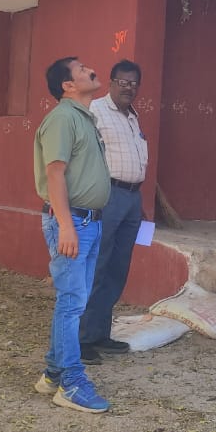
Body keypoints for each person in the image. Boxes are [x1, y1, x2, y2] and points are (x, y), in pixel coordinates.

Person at [33, 57, 113, 413]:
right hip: (73, 223)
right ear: (67, 85)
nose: (91, 70)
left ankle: (54, 373)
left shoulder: (83, 118)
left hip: (88, 222)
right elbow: (55, 173)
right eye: (81, 69)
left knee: (73, 300)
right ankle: (72, 383)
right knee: (72, 303)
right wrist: (66, 225)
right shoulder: (62, 118)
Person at [79, 60, 148, 363]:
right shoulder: (95, 111)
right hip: (106, 196)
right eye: (122, 82)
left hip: (132, 199)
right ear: (110, 82)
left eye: (133, 83)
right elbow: (80, 155)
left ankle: (100, 334)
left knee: (117, 270)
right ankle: (81, 339)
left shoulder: (133, 117)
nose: (128, 88)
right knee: (97, 267)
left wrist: (138, 204)